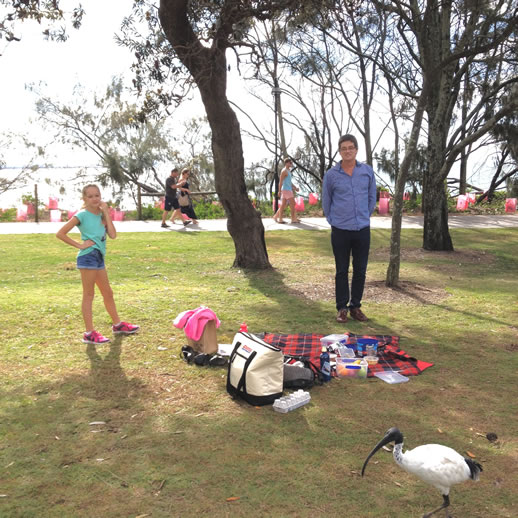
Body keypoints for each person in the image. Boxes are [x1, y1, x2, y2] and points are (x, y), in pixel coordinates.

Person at [56, 184, 140, 344]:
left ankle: (117, 325)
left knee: (108, 293)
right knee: (89, 295)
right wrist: (80, 245)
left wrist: (107, 213)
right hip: (87, 257)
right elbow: (60, 233)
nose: (95, 199)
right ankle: (89, 333)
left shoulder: (102, 215)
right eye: (90, 196)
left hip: (99, 257)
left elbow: (113, 235)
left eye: (97, 195)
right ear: (84, 199)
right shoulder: (81, 215)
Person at [322, 135, 377, 323]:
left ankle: (355, 307)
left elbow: (372, 198)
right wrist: (333, 220)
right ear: (339, 151)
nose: (347, 151)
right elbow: (326, 201)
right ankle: (341, 308)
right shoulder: (331, 175)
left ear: (356, 150)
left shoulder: (367, 172)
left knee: (360, 270)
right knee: (341, 270)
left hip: (362, 228)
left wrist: (364, 215)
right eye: (344, 148)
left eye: (351, 147)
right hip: (340, 229)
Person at [273, 157, 301, 224]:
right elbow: (280, 182)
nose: (291, 163)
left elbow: (289, 182)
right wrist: (279, 191)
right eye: (290, 162)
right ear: (286, 163)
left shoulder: (288, 171)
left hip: (288, 190)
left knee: (283, 205)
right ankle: (293, 219)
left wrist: (295, 188)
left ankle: (276, 217)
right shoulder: (284, 171)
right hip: (286, 190)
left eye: (291, 162)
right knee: (292, 204)